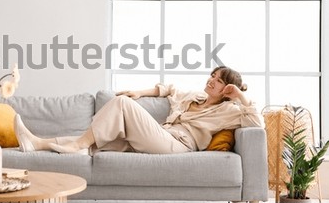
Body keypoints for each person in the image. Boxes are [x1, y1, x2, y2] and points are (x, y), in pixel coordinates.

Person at [14, 66, 264, 155]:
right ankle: (37, 143)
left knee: (122, 104)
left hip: (176, 145)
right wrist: (140, 92)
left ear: (227, 88)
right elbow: (168, 89)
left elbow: (257, 124)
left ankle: (77, 144)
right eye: (211, 76)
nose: (210, 80)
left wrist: (239, 95)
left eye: (218, 80)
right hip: (159, 135)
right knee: (98, 143)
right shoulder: (194, 96)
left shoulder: (229, 110)